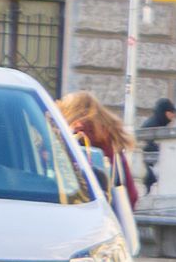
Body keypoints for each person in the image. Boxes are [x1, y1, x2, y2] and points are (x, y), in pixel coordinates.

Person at [58, 92, 143, 234]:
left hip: (75, 224)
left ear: (70, 111)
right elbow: (131, 194)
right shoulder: (112, 141)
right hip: (108, 225)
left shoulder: (72, 137)